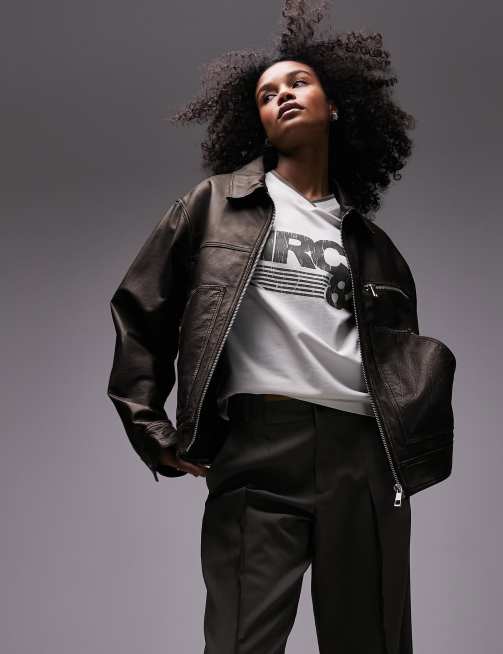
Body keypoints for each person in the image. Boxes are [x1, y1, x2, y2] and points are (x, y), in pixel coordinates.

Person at [107, 2, 456, 652]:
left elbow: (398, 364)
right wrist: (151, 430)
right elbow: (140, 308)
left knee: (372, 642)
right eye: (267, 95)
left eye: (297, 83)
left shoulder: (376, 248)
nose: (282, 96)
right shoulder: (215, 206)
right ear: (259, 122)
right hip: (257, 446)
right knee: (240, 640)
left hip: (363, 454)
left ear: (335, 106)